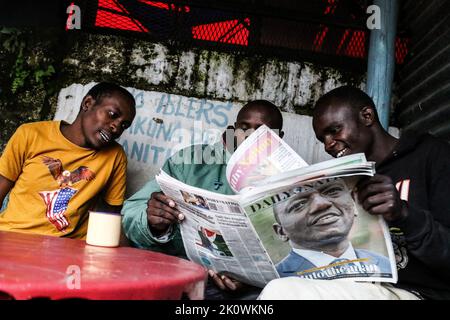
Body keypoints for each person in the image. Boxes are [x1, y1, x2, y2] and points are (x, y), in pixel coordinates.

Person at [259, 85, 450, 300]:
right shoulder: (343, 179)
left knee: (283, 293)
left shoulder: (433, 156)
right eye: (322, 139)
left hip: (419, 293)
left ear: (367, 116)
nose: (328, 145)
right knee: (280, 288)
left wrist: (404, 213)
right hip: (359, 286)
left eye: (334, 130)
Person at [122, 99, 284, 299]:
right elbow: (130, 213)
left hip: (248, 288)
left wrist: (251, 277)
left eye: (261, 132)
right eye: (244, 128)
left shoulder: (288, 178)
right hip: (183, 274)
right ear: (233, 130)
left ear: (278, 138)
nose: (249, 137)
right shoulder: (191, 161)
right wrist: (152, 223)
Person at [0, 82, 136, 239]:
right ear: (87, 103)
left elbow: (109, 218)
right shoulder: (30, 134)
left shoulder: (115, 156)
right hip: (14, 238)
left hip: (68, 252)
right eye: (112, 115)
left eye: (124, 125)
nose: (116, 127)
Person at [272, 177, 391, 279]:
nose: (321, 204)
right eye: (299, 204)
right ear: (281, 232)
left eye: (332, 191)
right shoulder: (274, 280)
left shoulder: (385, 264)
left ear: (354, 204)